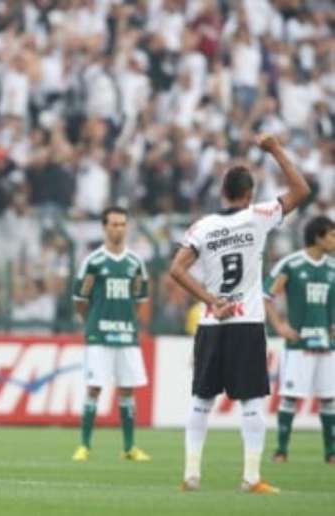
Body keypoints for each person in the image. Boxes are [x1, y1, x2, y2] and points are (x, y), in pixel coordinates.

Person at [169, 134, 311, 493]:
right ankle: (250, 477)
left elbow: (176, 269)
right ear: (249, 194)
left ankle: (190, 474)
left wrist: (211, 300)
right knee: (251, 400)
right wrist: (276, 149)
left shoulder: (203, 227)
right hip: (246, 322)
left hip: (212, 322)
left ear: (223, 192)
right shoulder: (259, 216)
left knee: (202, 399)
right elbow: (301, 190)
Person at [71, 206, 151, 462]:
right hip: (99, 335)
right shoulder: (93, 262)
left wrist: (126, 319)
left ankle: (129, 447)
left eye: (122, 224)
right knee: (94, 387)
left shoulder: (135, 263)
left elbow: (139, 299)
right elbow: (79, 299)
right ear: (104, 227)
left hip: (126, 336)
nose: (118, 229)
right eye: (114, 224)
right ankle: (84, 445)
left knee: (127, 390)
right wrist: (91, 322)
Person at [263, 216, 335, 464]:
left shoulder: (333, 267)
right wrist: (279, 325)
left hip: (327, 344)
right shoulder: (292, 264)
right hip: (299, 345)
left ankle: (331, 453)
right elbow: (266, 295)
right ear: (317, 237)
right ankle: (281, 450)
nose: (334, 240)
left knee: (329, 398)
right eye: (331, 235)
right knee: (291, 396)